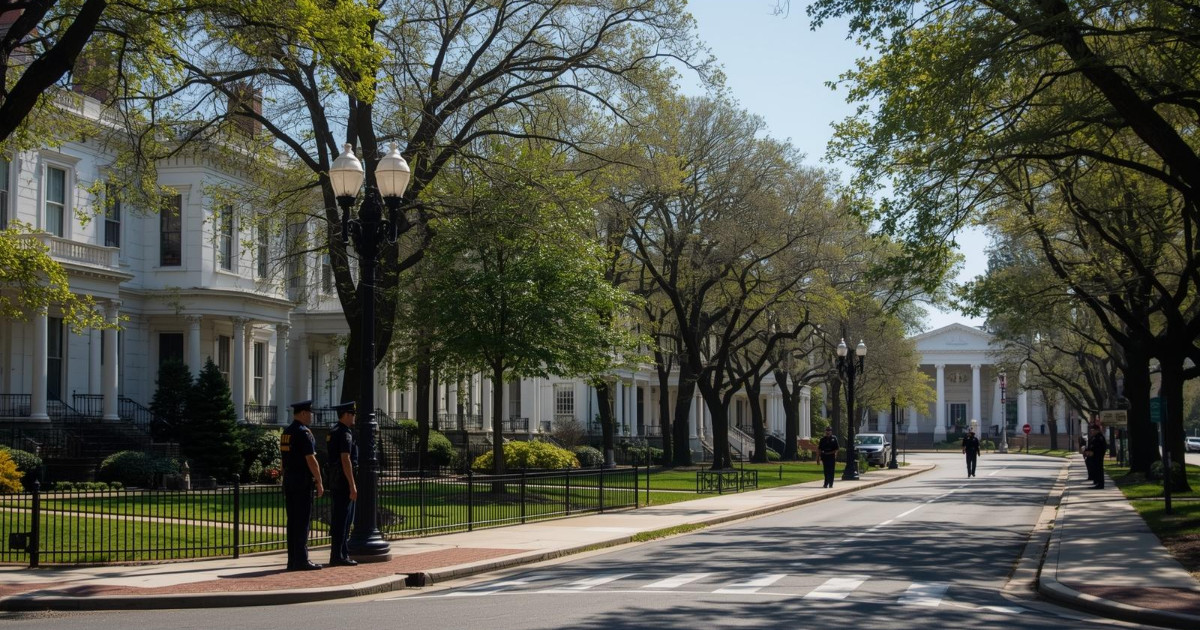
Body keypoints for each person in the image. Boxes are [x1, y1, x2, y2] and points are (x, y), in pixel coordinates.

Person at [281, 399, 324, 571]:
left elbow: (283, 461)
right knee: (302, 522)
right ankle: (301, 559)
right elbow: (311, 459)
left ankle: (292, 559)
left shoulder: (287, 432)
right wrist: (319, 481)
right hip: (302, 482)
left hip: (290, 481)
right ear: (304, 413)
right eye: (310, 413)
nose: (312, 416)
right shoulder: (304, 433)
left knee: (292, 522)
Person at [326, 401, 359, 567]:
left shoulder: (333, 431)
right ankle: (339, 555)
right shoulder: (345, 433)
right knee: (344, 520)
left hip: (335, 480)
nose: (354, 417)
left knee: (340, 519)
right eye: (353, 414)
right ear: (346, 415)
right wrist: (352, 484)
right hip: (344, 481)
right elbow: (345, 458)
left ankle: (340, 553)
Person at [1084, 424, 1108, 489]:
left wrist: (1093, 452)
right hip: (1094, 456)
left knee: (1099, 470)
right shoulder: (1094, 437)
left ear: (1097, 430)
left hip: (1098, 456)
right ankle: (1097, 482)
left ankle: (1100, 484)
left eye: (1093, 430)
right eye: (1091, 430)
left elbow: (1100, 447)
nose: (1092, 431)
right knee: (1096, 469)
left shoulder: (1099, 437)